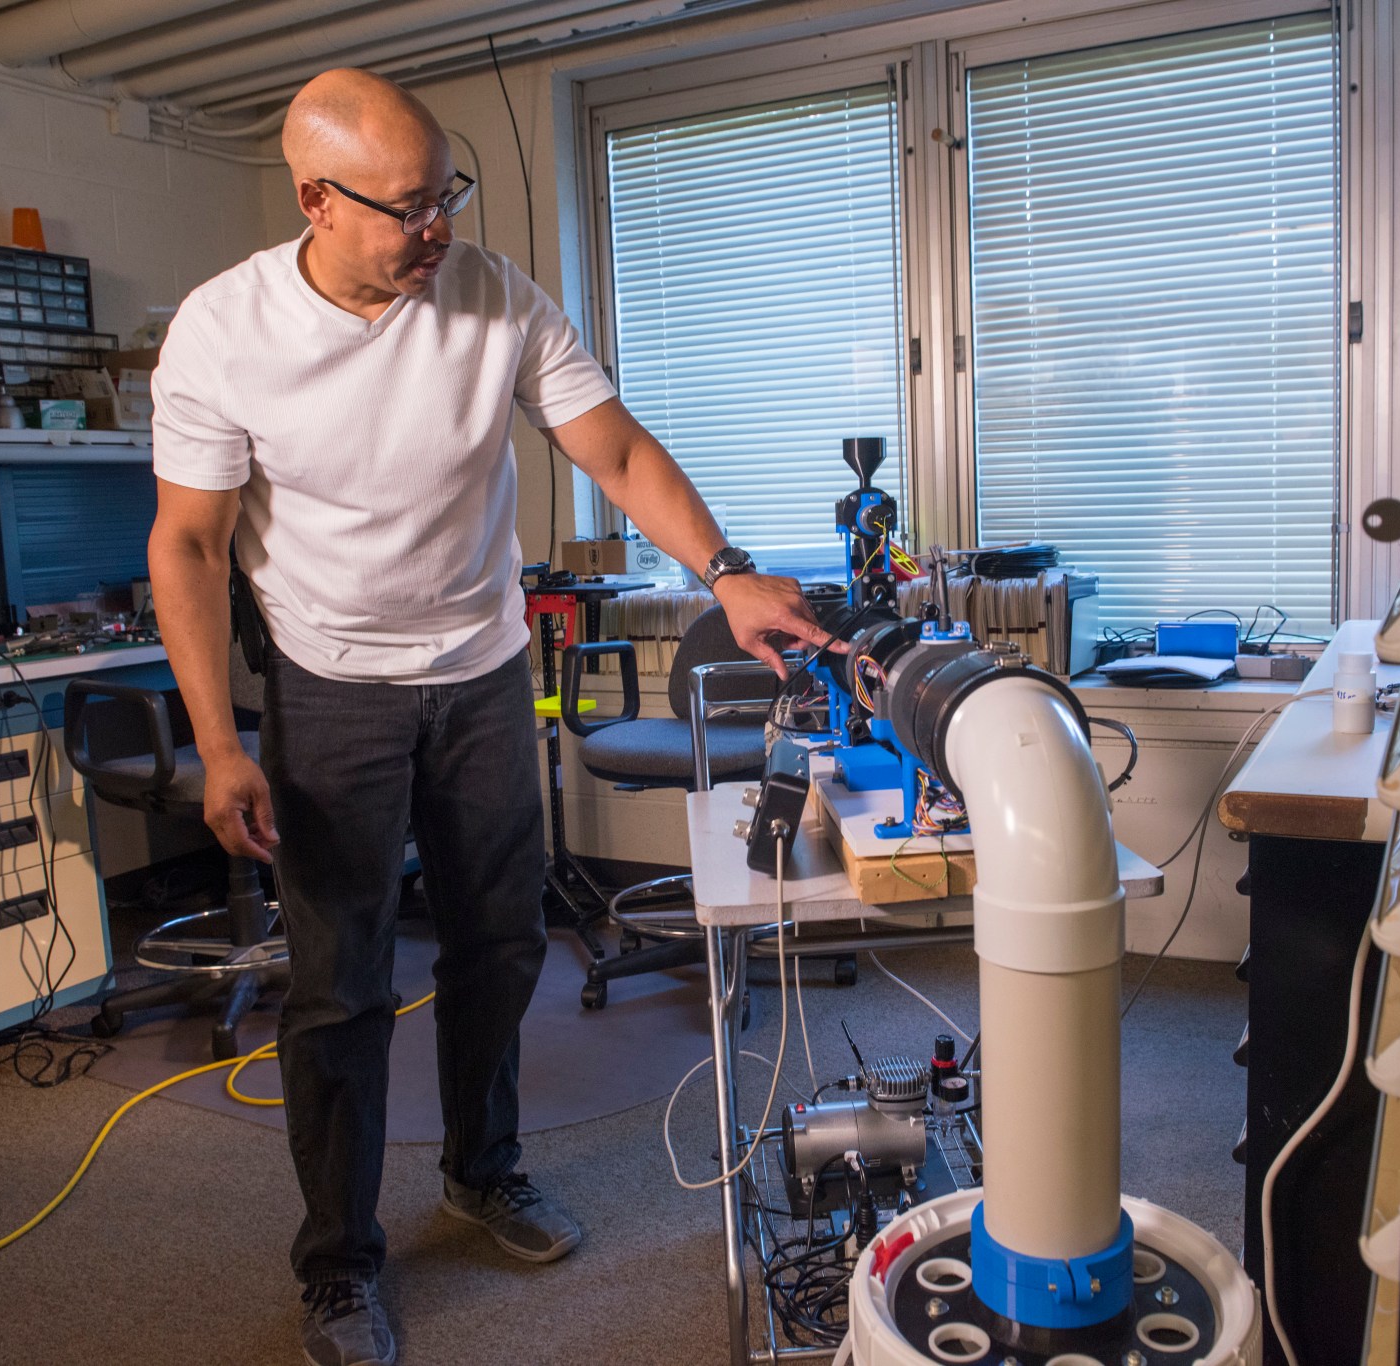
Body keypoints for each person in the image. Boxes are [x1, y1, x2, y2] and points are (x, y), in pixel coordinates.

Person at [146, 67, 837, 1366]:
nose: (437, 228)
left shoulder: (494, 297)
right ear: (317, 198)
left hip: (478, 667)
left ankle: (483, 1168)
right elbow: (186, 543)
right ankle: (341, 1263)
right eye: (408, 208)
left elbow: (616, 449)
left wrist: (726, 568)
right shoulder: (223, 330)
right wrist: (222, 740)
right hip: (327, 683)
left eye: (445, 195)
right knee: (342, 985)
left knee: (500, 941)